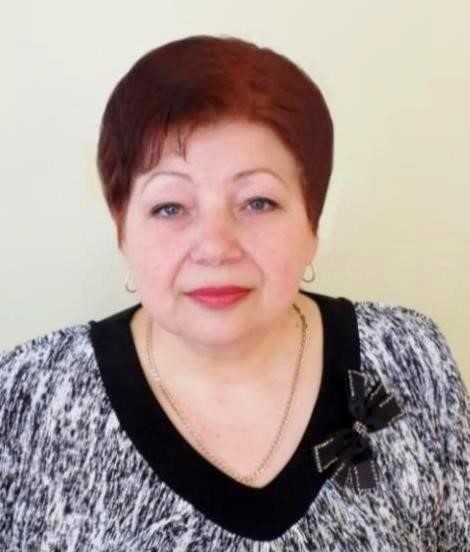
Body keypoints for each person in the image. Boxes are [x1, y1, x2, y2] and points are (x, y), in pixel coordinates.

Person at [1, 35, 469, 551]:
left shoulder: (410, 354)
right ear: (122, 229)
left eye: (258, 202)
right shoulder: (29, 393)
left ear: (312, 222)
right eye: (170, 207)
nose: (215, 248)